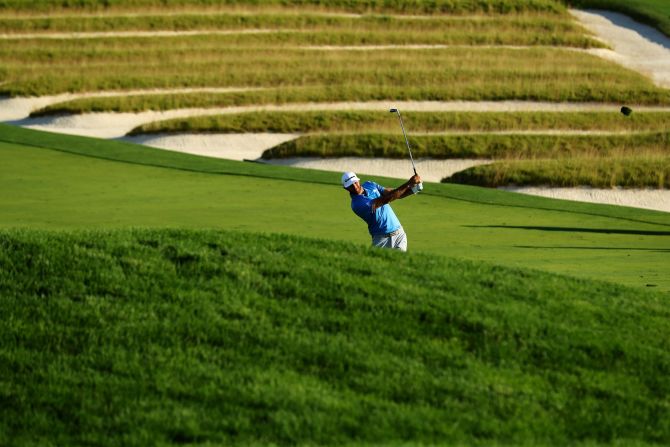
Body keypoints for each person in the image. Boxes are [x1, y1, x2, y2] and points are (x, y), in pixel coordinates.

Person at [341, 171, 421, 251]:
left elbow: (393, 193)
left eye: (355, 182)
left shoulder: (370, 184)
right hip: (382, 240)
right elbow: (388, 198)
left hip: (399, 234)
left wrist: (414, 188)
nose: (355, 187)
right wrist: (409, 183)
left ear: (358, 180)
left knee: (400, 262)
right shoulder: (357, 204)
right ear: (346, 188)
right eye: (351, 186)